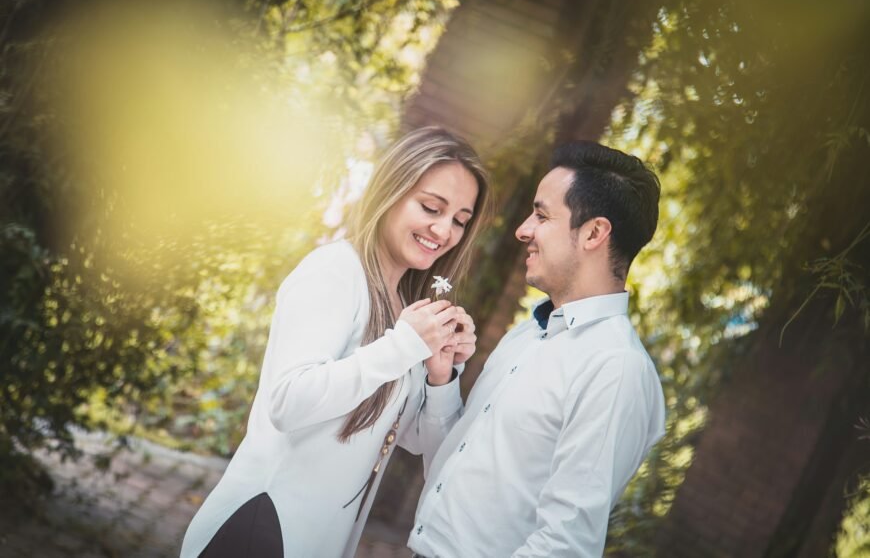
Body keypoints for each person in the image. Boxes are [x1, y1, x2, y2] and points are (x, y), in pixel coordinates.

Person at [180, 126, 491, 558]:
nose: (444, 230)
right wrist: (402, 346)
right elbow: (289, 402)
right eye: (431, 207)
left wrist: (440, 375)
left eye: (459, 220)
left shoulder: (403, 304)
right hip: (262, 530)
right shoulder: (333, 272)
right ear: (391, 191)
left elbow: (422, 445)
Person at [408, 141, 666, 557]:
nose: (522, 229)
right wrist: (441, 381)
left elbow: (566, 544)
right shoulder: (530, 335)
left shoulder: (616, 369)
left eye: (542, 215)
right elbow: (452, 467)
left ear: (595, 233)